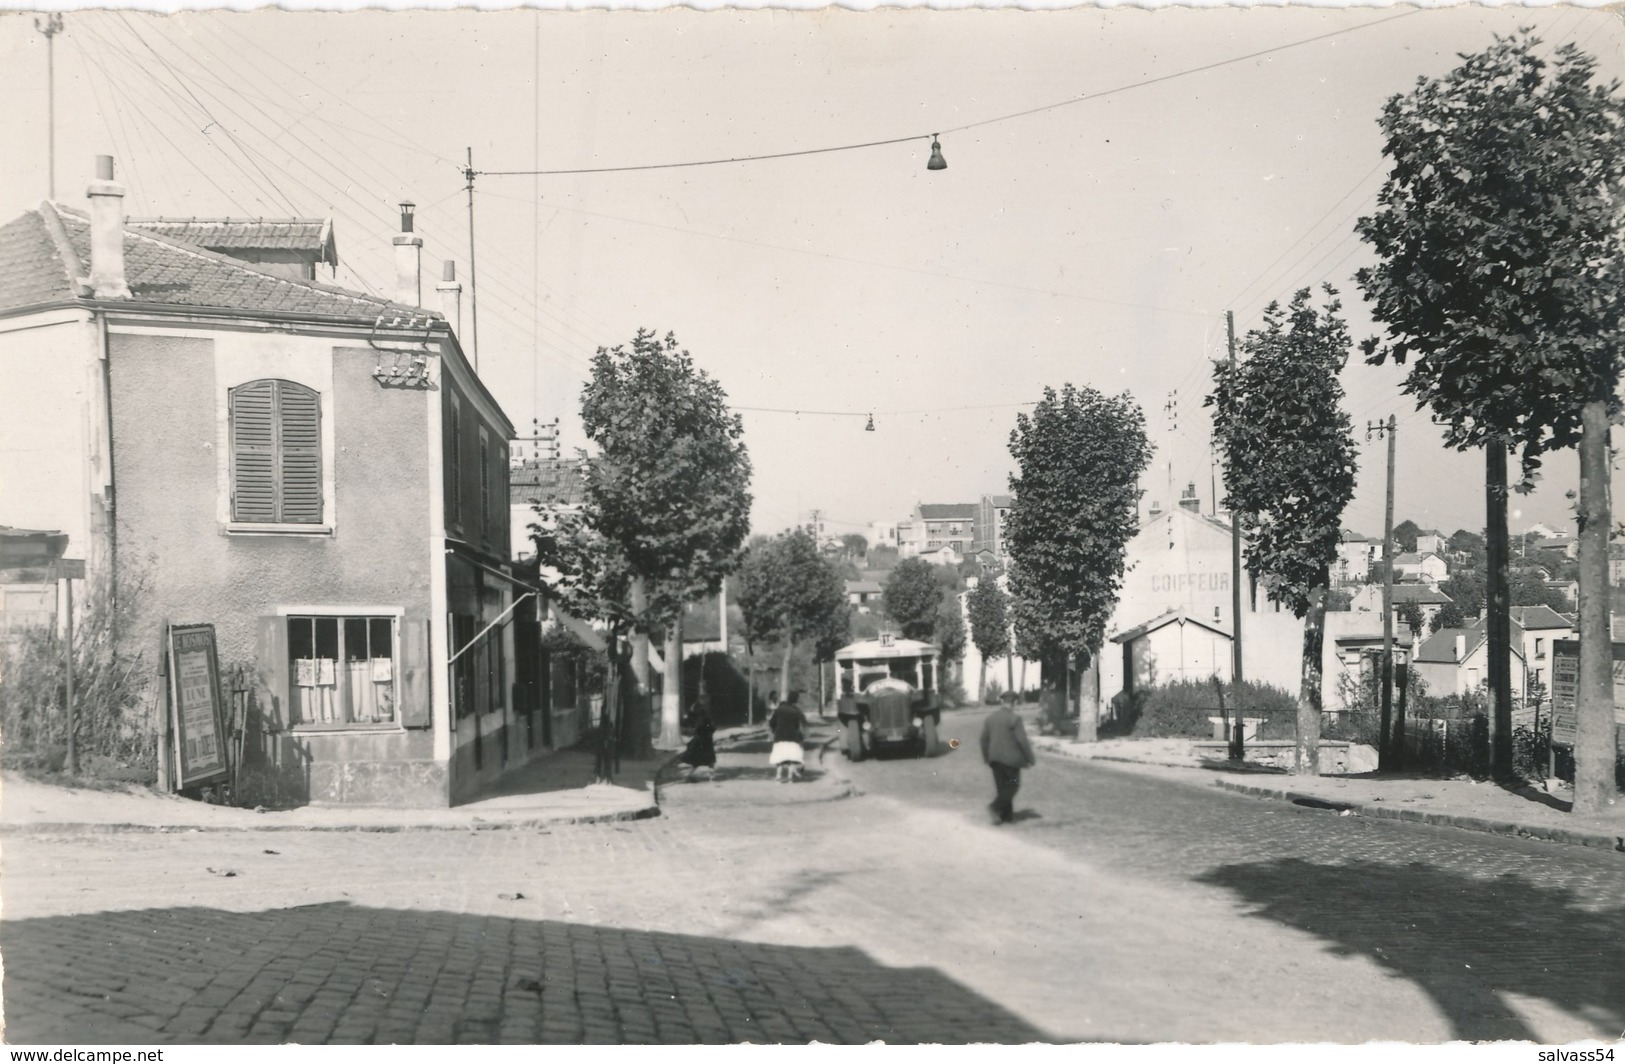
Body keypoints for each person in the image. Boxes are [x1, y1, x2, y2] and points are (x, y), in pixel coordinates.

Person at [980, 692, 1035, 824]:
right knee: (1012, 786)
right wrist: (1030, 758)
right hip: (1011, 760)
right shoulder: (1015, 718)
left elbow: (983, 740)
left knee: (1002, 788)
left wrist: (987, 757)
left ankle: (1006, 817)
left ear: (1002, 702)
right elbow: (1022, 740)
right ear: (1015, 703)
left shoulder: (990, 718)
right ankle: (994, 807)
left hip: (994, 759)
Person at [768, 692, 807, 783]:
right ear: (795, 701)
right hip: (793, 737)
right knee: (791, 758)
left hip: (780, 736)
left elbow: (771, 722)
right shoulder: (796, 711)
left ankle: (778, 776)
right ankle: (790, 777)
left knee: (780, 757)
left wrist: (775, 729)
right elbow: (797, 726)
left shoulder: (779, 710)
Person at [678, 699, 717, 782]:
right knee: (710, 759)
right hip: (707, 740)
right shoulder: (706, 716)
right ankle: (711, 776)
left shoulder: (699, 717)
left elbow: (696, 727)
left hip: (700, 740)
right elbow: (713, 728)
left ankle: (690, 775)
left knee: (697, 760)